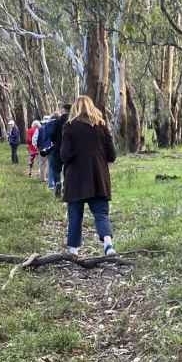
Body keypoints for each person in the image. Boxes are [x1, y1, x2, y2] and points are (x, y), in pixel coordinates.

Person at [58, 94, 117, 256]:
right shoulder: (101, 126)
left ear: (76, 108)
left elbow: (64, 155)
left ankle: (73, 250)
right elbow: (112, 155)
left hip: (76, 179)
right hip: (98, 178)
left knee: (75, 215)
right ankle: (108, 245)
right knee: (101, 213)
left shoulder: (69, 127)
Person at [45, 102, 71, 197]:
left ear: (63, 110)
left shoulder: (57, 121)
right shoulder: (73, 121)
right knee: (68, 169)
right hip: (70, 150)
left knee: (56, 169)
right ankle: (66, 186)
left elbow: (52, 135)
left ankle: (57, 183)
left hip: (57, 148)